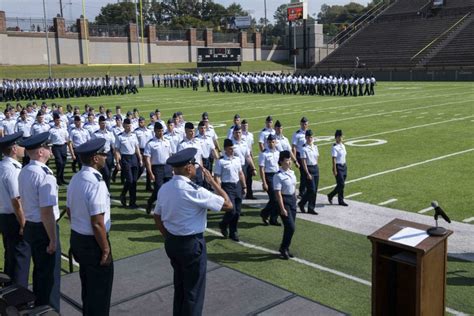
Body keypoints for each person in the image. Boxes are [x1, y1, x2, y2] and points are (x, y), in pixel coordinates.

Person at [154, 148, 233, 316]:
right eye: (195, 165)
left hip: (172, 243)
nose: (197, 168)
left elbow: (157, 216)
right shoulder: (193, 190)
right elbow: (228, 205)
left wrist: (168, 236)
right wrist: (212, 182)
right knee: (194, 292)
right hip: (191, 245)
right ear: (189, 167)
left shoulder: (165, 188)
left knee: (180, 287)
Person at [67, 138, 114, 316]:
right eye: (103, 154)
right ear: (95, 158)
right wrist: (105, 249)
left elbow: (70, 212)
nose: (106, 156)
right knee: (100, 295)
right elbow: (97, 222)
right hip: (94, 243)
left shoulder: (76, 178)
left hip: (78, 238)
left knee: (88, 289)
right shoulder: (96, 183)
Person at [18, 132, 61, 311]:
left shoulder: (25, 170)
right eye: (47, 147)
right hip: (44, 228)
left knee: (39, 271)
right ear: (40, 152)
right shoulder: (45, 174)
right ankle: (48, 310)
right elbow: (46, 212)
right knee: (50, 276)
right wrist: (52, 239)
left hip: (31, 225)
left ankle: (38, 306)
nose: (50, 150)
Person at [0, 132, 31, 287]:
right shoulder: (13, 170)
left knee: (10, 255)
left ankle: (8, 294)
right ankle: (19, 300)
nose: (22, 147)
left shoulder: (2, 166)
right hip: (15, 218)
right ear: (13, 149)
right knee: (21, 258)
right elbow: (16, 200)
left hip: (4, 216)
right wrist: (23, 223)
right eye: (19, 144)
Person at [214, 139, 246, 242]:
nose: (232, 150)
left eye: (233, 148)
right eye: (230, 149)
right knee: (231, 211)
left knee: (237, 212)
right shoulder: (221, 161)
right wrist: (219, 190)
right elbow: (217, 177)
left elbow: (240, 174)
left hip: (237, 186)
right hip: (227, 186)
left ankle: (233, 231)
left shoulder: (237, 159)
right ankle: (223, 224)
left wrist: (244, 186)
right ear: (225, 149)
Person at [144, 122, 173, 214]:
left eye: (161, 131)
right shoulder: (150, 144)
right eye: (158, 131)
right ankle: (150, 201)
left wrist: (173, 169)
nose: (160, 133)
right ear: (155, 131)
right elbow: (147, 159)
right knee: (158, 189)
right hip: (157, 168)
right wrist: (150, 173)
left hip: (167, 167)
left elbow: (170, 155)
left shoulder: (167, 141)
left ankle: (165, 208)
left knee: (169, 189)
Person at [273, 150, 297, 260]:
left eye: (290, 160)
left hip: (292, 200)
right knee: (291, 227)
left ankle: (285, 248)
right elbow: (278, 193)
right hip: (284, 201)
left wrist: (295, 198)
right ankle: (283, 248)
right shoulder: (278, 176)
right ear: (281, 162)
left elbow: (293, 187)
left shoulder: (291, 172)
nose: (289, 162)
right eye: (287, 160)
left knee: (289, 228)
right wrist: (282, 208)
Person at [115, 118, 143, 209]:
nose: (128, 127)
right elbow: (117, 150)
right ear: (123, 126)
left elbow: (137, 147)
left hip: (134, 158)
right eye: (127, 126)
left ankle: (132, 202)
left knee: (134, 182)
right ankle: (123, 194)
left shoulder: (134, 135)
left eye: (130, 126)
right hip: (125, 158)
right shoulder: (120, 136)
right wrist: (117, 162)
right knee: (130, 180)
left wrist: (140, 159)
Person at [258, 134, 281, 226]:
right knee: (274, 198)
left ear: (275, 142)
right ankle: (264, 213)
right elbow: (261, 169)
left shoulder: (278, 152)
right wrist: (264, 182)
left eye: (273, 142)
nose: (271, 144)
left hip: (277, 175)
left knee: (278, 199)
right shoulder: (264, 153)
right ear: (267, 142)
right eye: (269, 142)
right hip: (269, 176)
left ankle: (273, 219)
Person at [298, 130, 319, 214]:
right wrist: (307, 173)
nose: (310, 139)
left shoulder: (315, 147)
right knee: (312, 190)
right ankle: (302, 203)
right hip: (308, 169)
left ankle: (311, 207)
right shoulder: (303, 148)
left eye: (311, 137)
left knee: (314, 190)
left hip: (315, 168)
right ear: (305, 137)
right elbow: (303, 162)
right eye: (308, 137)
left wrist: (316, 166)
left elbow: (317, 157)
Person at [49, 112, 71, 185]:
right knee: (59, 162)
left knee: (63, 163)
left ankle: (61, 178)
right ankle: (58, 178)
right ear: (54, 121)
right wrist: (50, 151)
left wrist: (69, 148)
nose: (58, 121)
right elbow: (49, 141)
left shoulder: (64, 129)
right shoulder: (51, 130)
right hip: (56, 147)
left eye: (59, 120)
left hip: (63, 146)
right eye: (57, 120)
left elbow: (67, 139)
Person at [327, 129, 348, 206]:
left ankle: (340, 200)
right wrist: (334, 169)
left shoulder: (343, 145)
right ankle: (330, 195)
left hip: (344, 166)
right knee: (341, 184)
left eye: (341, 136)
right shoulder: (334, 147)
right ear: (336, 137)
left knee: (341, 184)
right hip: (338, 167)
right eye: (339, 136)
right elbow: (334, 159)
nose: (341, 138)